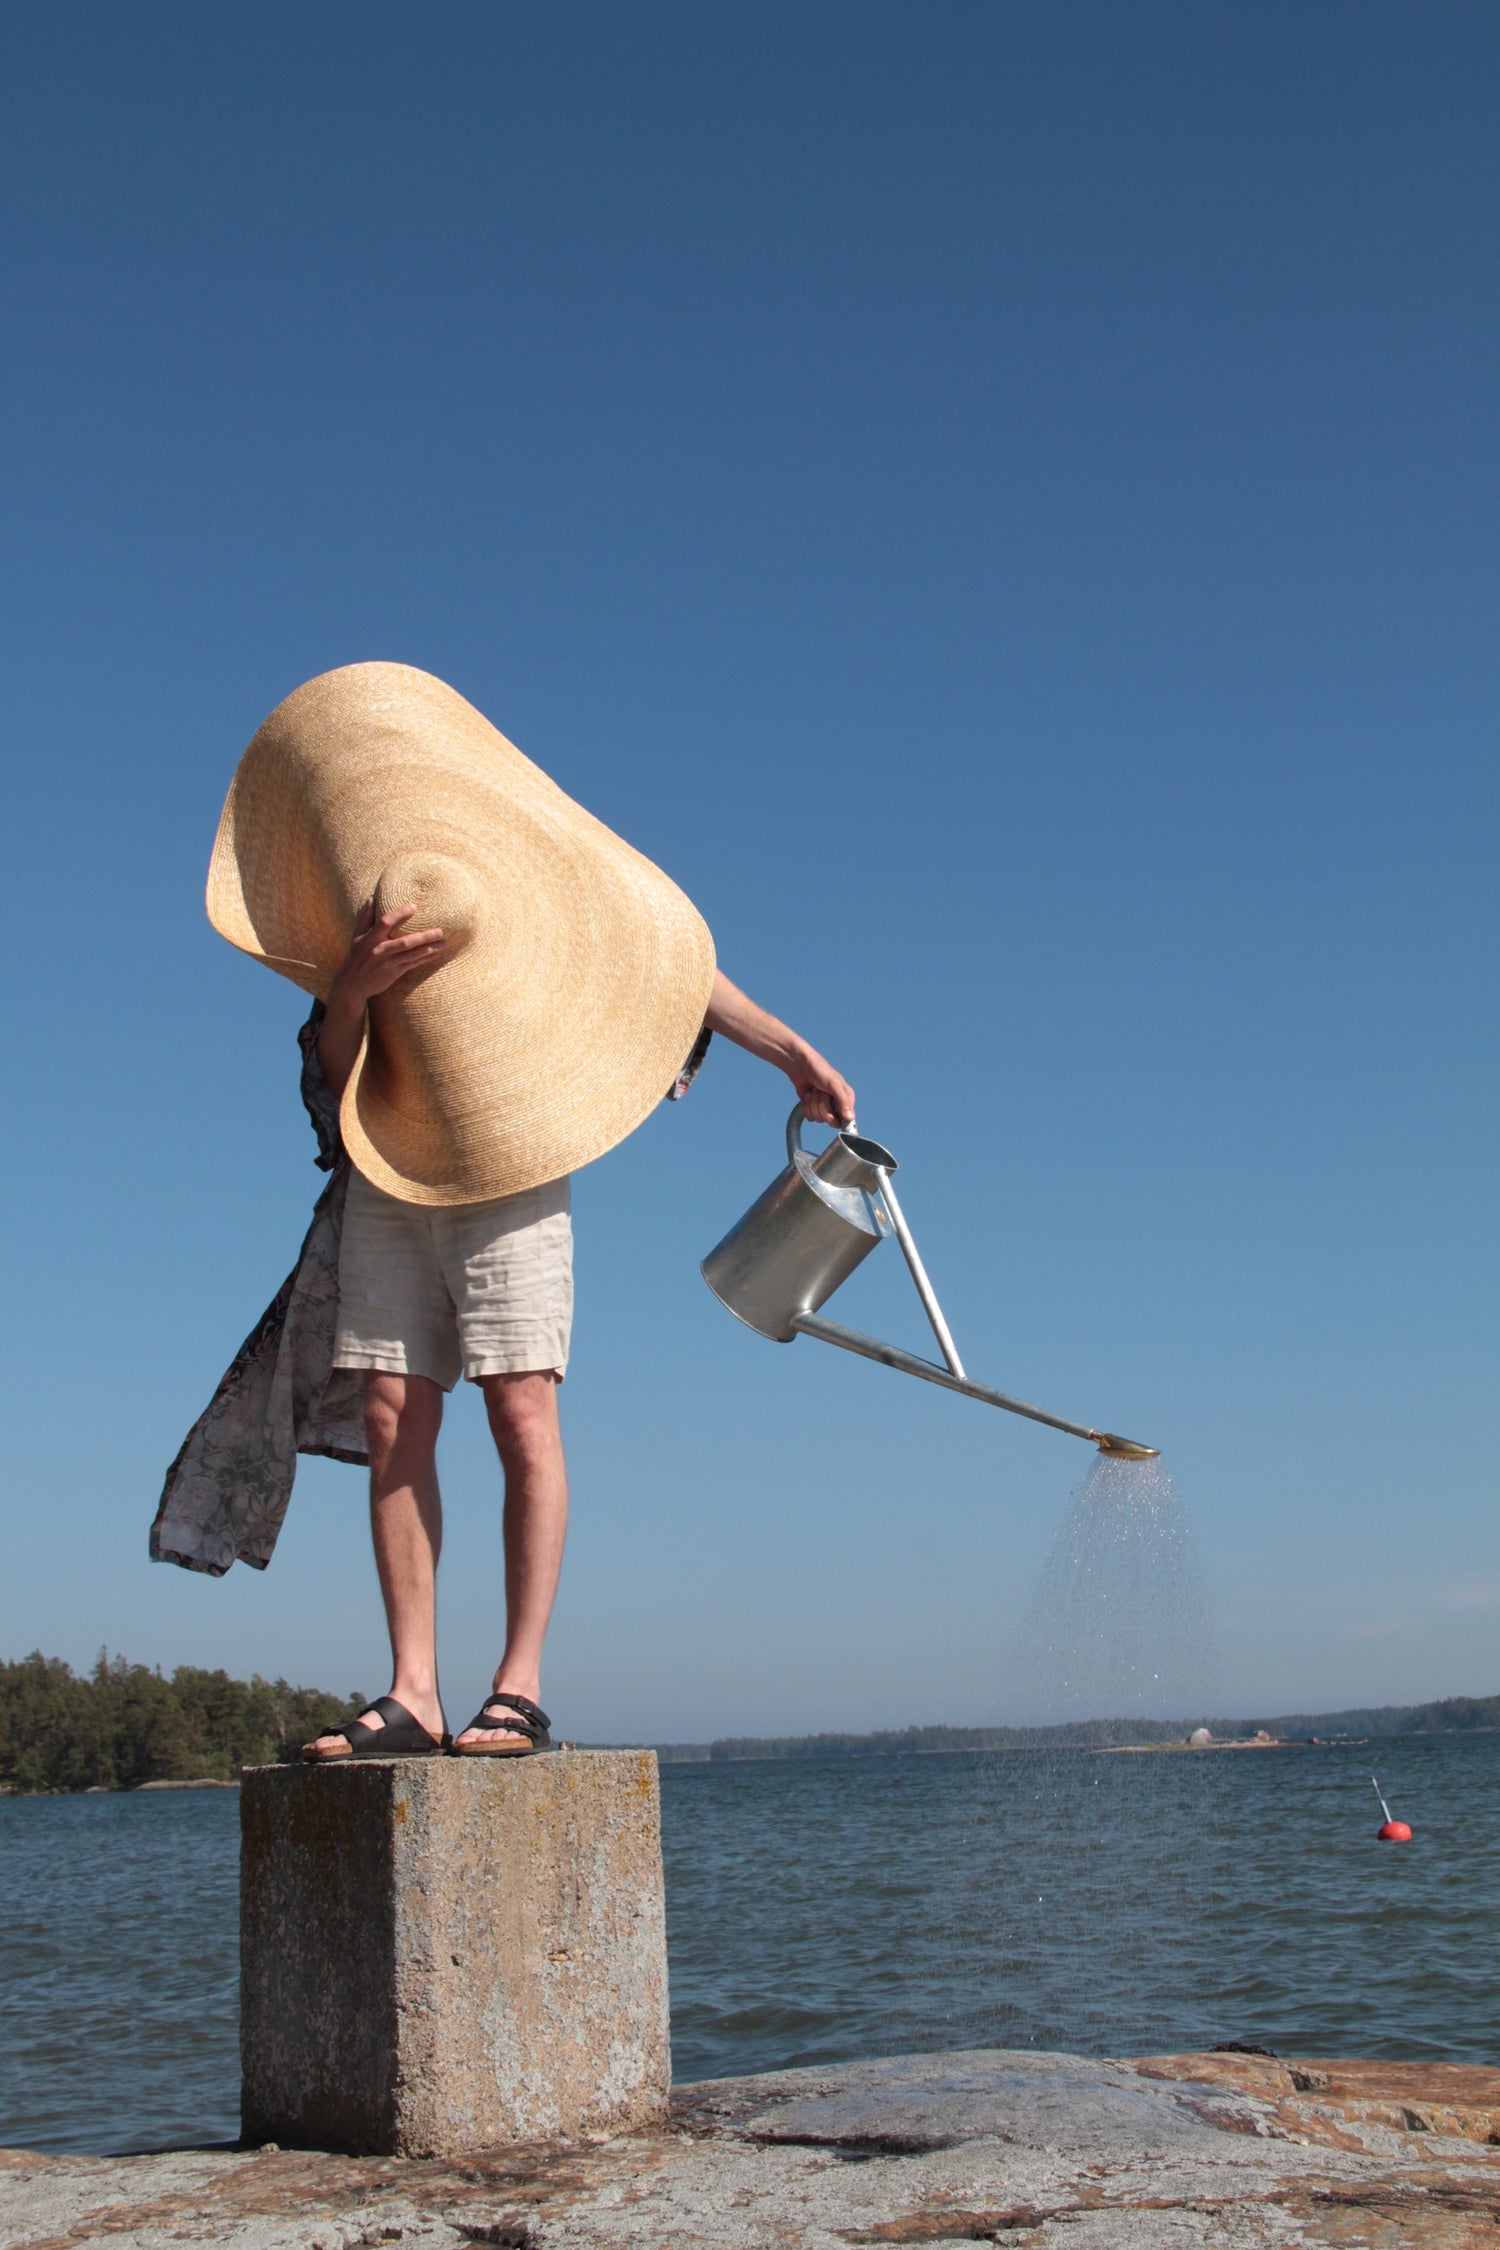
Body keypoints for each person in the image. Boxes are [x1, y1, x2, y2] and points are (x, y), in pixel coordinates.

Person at [303, 900, 854, 1761]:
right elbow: (338, 1077)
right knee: (388, 1416)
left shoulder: (512, 846)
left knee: (520, 1407)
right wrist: (349, 991)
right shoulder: (361, 884)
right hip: (389, 1166)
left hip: (512, 1155)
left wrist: (792, 1054)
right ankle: (414, 1692)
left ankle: (518, 1687)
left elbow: (663, 949)